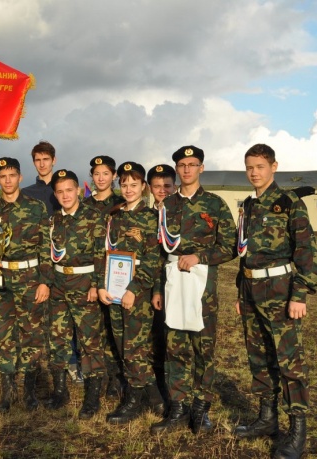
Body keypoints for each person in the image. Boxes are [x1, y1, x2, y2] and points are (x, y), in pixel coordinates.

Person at [233, 144, 317, 459]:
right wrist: (240, 292)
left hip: (280, 292)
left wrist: (299, 294)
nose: (254, 172)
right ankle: (267, 419)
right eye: (249, 167)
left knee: (289, 362)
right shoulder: (248, 204)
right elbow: (244, 253)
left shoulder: (289, 202)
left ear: (273, 167)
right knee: (259, 358)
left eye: (260, 166)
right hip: (251, 290)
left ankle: (297, 431)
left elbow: (307, 251)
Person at [150, 146, 236, 435]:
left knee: (203, 347)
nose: (187, 169)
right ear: (177, 169)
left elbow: (231, 246)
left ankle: (201, 409)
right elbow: (158, 252)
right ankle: (177, 407)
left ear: (202, 167)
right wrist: (156, 289)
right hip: (173, 282)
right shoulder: (166, 206)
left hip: (202, 285)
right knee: (175, 347)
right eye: (182, 165)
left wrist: (201, 256)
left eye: (192, 164)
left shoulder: (215, 204)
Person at [97, 161, 164, 424]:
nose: (128, 189)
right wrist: (101, 284)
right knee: (122, 345)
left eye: (133, 184)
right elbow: (103, 253)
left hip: (137, 291)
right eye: (124, 184)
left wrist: (134, 289)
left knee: (135, 346)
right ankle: (154, 396)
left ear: (143, 187)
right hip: (113, 288)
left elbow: (153, 258)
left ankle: (134, 400)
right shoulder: (113, 216)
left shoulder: (151, 217)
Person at [0, 157, 52, 413]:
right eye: (2, 176)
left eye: (12, 175)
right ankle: (8, 392)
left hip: (30, 279)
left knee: (31, 336)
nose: (8, 180)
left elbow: (46, 247)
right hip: (1, 280)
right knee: (2, 337)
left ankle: (29, 393)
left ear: (20, 177)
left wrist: (45, 281)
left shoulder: (36, 207)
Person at [46, 169, 106, 419]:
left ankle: (92, 397)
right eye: (59, 191)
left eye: (69, 190)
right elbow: (47, 253)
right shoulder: (53, 221)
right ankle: (60, 391)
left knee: (90, 341)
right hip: (59, 284)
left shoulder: (94, 217)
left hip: (85, 284)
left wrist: (96, 284)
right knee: (58, 339)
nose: (64, 195)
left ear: (78, 190)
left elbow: (102, 253)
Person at [83, 155, 125, 398]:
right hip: (89, 275)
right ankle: (95, 379)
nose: (100, 178)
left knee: (115, 330)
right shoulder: (84, 205)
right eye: (96, 174)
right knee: (93, 331)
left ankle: (117, 378)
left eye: (105, 174)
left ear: (114, 177)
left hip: (116, 275)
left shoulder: (121, 203)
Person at [146, 164, 177, 404]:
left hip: (176, 283)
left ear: (174, 186)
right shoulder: (146, 215)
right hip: (150, 285)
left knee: (174, 340)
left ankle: (175, 391)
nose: (162, 190)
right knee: (154, 337)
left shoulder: (179, 212)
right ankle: (156, 388)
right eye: (157, 186)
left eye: (167, 185)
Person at [21, 140, 61, 217]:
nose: (42, 164)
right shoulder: (25, 193)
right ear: (34, 163)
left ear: (54, 160)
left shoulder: (65, 191)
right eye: (38, 160)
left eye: (46, 159)